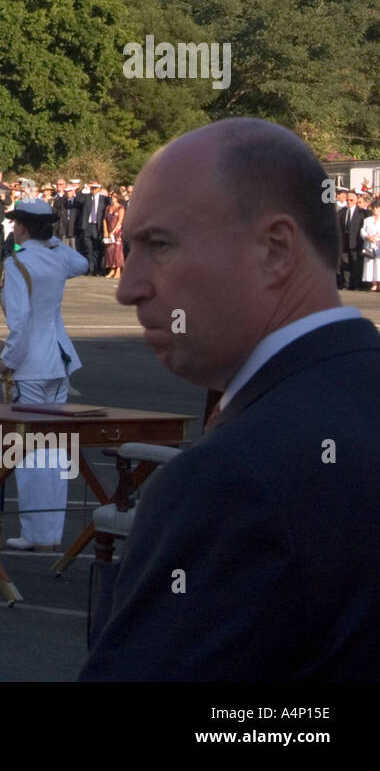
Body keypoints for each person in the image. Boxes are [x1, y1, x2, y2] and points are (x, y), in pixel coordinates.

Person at [81, 118, 380, 681]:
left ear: (275, 250)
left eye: (160, 245)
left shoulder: (232, 480)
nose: (128, 287)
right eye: (130, 248)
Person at [0, 199, 89, 552]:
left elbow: (19, 322)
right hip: (59, 358)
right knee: (55, 449)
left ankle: (36, 533)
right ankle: (51, 533)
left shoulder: (18, 262)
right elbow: (82, 263)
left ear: (21, 227)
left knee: (31, 452)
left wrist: (7, 359)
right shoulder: (57, 256)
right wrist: (54, 240)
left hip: (32, 362)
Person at [339, 189, 366, 291]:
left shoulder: (361, 213)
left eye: (351, 200)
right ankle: (347, 284)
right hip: (345, 241)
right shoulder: (342, 212)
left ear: (355, 200)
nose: (348, 202)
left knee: (356, 264)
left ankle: (356, 284)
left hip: (356, 242)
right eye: (347, 200)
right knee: (345, 263)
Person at [102, 190, 124, 279]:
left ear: (118, 197)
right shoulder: (108, 207)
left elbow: (120, 221)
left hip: (117, 232)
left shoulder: (121, 208)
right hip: (109, 230)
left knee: (117, 251)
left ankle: (118, 270)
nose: (112, 198)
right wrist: (105, 231)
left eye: (114, 196)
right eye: (112, 196)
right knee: (109, 250)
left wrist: (113, 231)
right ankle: (112, 269)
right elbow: (104, 219)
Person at [364, 200, 380, 292]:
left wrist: (377, 236)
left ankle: (379, 283)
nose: (375, 210)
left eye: (377, 208)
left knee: (379, 264)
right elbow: (363, 230)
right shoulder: (367, 220)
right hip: (369, 243)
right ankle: (373, 284)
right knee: (370, 264)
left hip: (378, 244)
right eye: (374, 208)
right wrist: (368, 236)